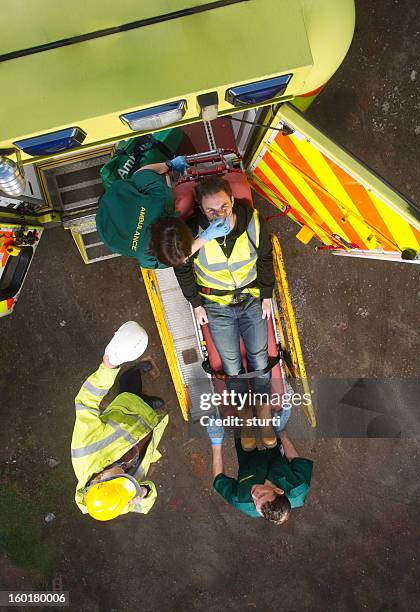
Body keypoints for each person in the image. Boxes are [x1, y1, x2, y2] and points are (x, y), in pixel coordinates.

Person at [174, 175, 277, 446]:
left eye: (223, 207)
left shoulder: (252, 222)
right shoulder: (191, 233)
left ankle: (264, 414)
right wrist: (195, 303)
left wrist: (266, 295)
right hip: (217, 306)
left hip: (252, 298)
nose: (218, 215)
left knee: (259, 360)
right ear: (200, 208)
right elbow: (181, 265)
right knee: (232, 367)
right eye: (210, 211)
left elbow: (266, 257)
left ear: (232, 200)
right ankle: (244, 415)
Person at [71, 321, 169, 521]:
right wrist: (143, 493)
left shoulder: (83, 452)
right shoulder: (117, 499)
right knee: (149, 405)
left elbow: (85, 402)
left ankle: (132, 372)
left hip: (128, 406)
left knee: (130, 384)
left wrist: (108, 368)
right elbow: (145, 505)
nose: (128, 478)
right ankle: (148, 404)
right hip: (148, 427)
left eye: (120, 478)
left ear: (99, 478)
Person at [96, 157, 230, 269]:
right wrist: (206, 236)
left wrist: (168, 165)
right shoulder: (145, 256)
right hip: (105, 229)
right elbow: (178, 257)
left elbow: (142, 172)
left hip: (115, 196)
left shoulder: (159, 200)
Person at [207, 408, 313, 523]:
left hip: (249, 463)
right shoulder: (298, 486)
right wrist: (281, 432)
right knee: (270, 430)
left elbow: (219, 478)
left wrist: (216, 443)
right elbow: (294, 459)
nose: (254, 495)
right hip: (275, 458)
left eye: (256, 502)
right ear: (278, 490)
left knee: (240, 426)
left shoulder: (242, 500)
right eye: (262, 495)